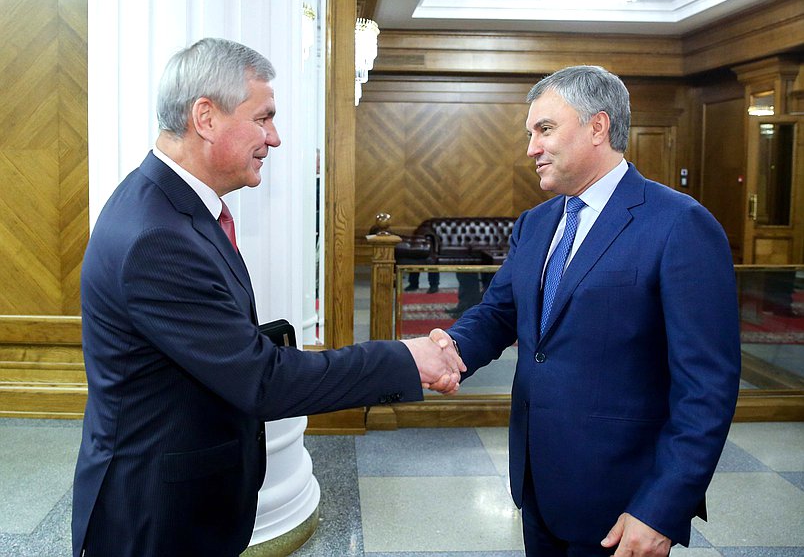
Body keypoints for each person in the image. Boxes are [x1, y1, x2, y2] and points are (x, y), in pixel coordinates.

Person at [72, 38, 465, 557]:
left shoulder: (172, 206)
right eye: (263, 118)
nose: (274, 138)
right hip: (154, 517)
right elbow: (262, 381)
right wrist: (404, 357)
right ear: (206, 117)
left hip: (184, 498)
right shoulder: (158, 237)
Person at [432, 65, 741, 556]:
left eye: (545, 129)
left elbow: (707, 386)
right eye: (530, 133)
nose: (531, 147)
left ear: (598, 127)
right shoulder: (535, 223)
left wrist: (661, 507)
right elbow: (498, 314)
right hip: (537, 484)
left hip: (623, 505)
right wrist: (445, 350)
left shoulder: (680, 224)